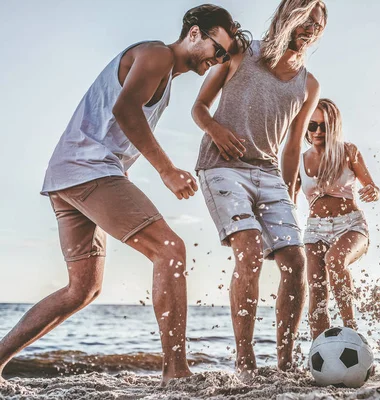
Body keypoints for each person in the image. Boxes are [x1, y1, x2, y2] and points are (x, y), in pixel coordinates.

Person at [0, 5, 250, 385]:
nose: (218, 61)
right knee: (170, 249)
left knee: (82, 289)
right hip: (89, 171)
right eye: (218, 50)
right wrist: (167, 170)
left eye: (225, 58)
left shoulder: (163, 74)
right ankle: (176, 372)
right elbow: (125, 111)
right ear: (195, 33)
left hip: (69, 176)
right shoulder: (157, 55)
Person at [192, 0, 327, 379]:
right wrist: (215, 130)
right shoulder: (239, 53)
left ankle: (285, 363)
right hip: (221, 166)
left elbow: (292, 144)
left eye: (318, 24)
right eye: (304, 19)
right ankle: (245, 360)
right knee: (249, 251)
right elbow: (199, 108)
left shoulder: (309, 84)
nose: (311, 28)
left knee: (295, 261)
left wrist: (287, 195)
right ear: (285, 16)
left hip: (268, 174)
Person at [295, 98, 379, 339]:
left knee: (335, 260)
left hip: (350, 225)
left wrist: (372, 191)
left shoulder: (349, 151)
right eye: (312, 126)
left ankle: (352, 333)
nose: (318, 131)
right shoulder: (299, 160)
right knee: (317, 289)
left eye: (324, 126)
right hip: (315, 229)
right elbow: (287, 199)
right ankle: (318, 351)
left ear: (334, 126)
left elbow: (372, 186)